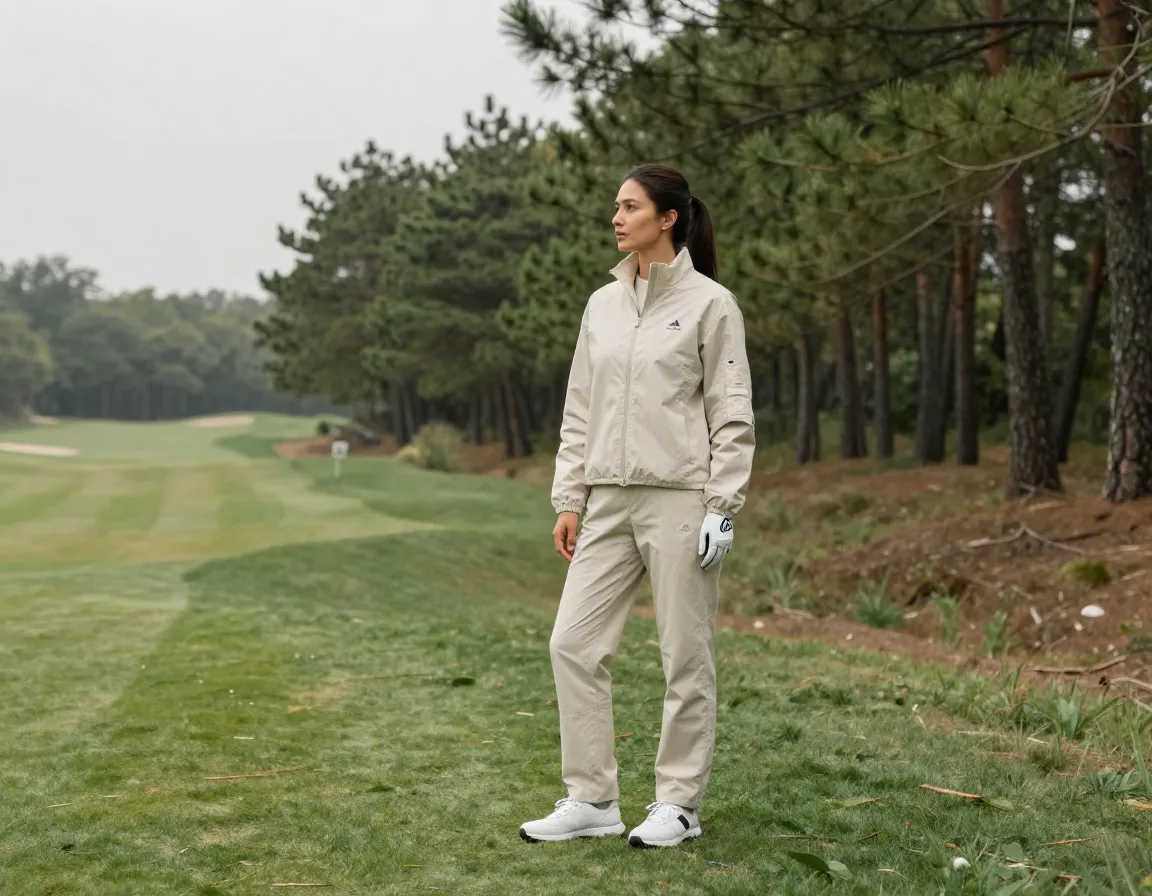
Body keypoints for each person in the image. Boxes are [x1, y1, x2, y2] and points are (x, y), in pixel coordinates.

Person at [518, 164, 756, 848]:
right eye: (616, 207)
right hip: (607, 502)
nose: (616, 218)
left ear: (668, 216)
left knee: (685, 653)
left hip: (682, 497)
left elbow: (731, 412)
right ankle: (592, 799)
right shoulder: (602, 303)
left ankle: (678, 804)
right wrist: (570, 497)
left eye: (629, 207)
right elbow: (580, 408)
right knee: (573, 642)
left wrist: (722, 504)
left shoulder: (712, 304)